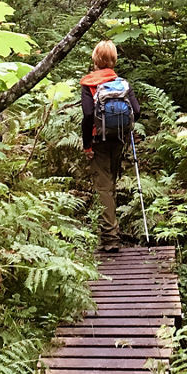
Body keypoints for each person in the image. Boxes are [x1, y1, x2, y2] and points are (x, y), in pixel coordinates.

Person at [79, 40, 140, 252]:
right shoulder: (122, 84)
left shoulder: (89, 85)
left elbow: (88, 116)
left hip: (98, 141)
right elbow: (137, 111)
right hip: (119, 140)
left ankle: (110, 237)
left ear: (95, 59)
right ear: (113, 59)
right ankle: (112, 227)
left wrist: (87, 145)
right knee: (111, 182)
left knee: (103, 187)